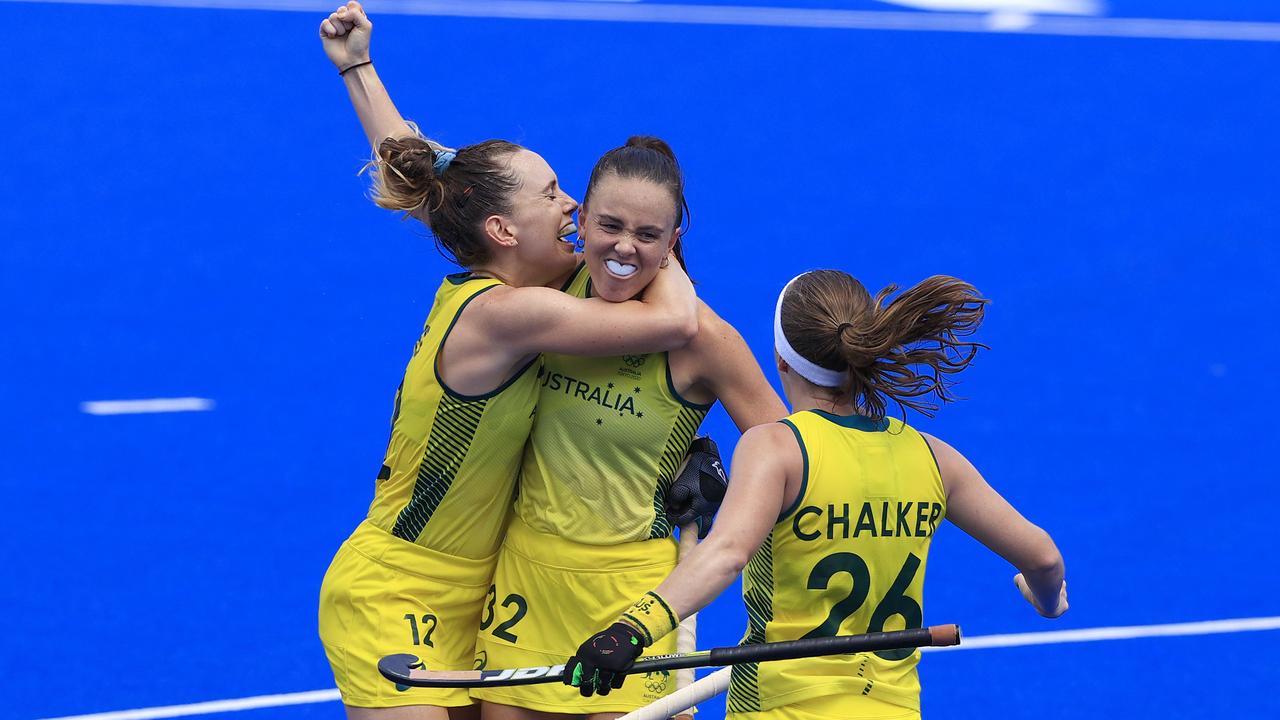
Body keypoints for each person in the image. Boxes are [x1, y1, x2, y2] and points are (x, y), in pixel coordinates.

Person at [319, 5, 789, 718]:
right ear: (504, 231)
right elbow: (673, 318)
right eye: (561, 200)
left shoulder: (520, 274)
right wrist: (662, 247)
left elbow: (436, 179)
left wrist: (358, 70)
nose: (568, 206)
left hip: (484, 591)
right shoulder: (515, 311)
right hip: (400, 584)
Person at [564, 270, 1069, 720]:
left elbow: (727, 553)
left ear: (782, 362)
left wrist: (631, 630)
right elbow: (1043, 557)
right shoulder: (933, 458)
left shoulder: (775, 449)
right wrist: (1044, 599)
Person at [472, 137, 787, 720]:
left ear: (672, 242)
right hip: (523, 586)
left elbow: (796, 453)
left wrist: (736, 484)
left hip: (633, 600)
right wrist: (358, 70)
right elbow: (446, 196)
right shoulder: (537, 298)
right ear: (581, 221)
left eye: (647, 236)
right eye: (610, 226)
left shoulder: (703, 341)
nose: (624, 248)